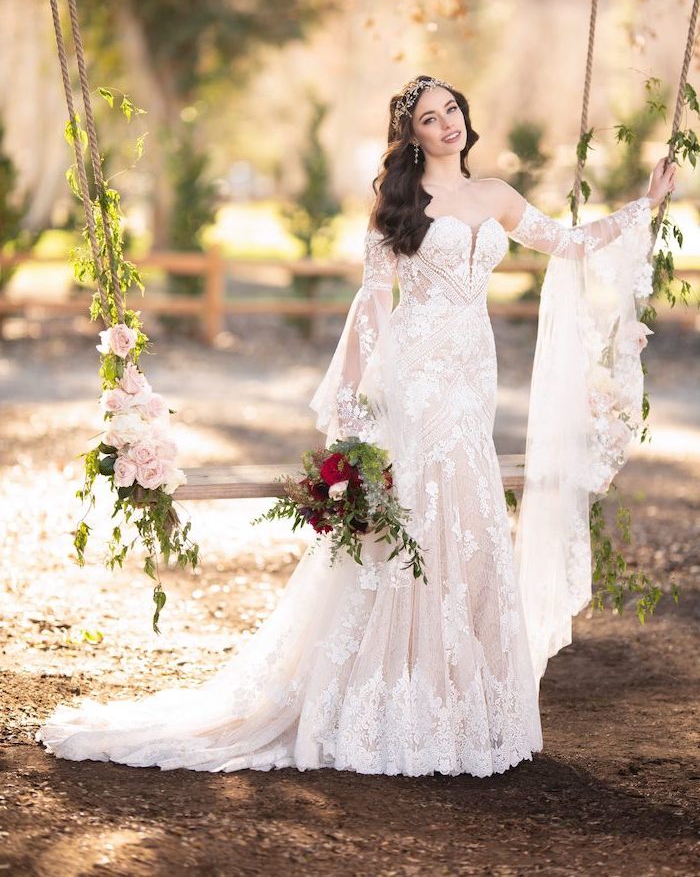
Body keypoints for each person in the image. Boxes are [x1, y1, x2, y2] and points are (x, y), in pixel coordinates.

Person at [36, 74, 676, 777]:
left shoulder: (496, 195)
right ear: (412, 135)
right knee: (420, 505)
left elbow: (571, 243)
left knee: (467, 514)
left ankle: (462, 698)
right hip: (417, 374)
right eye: (431, 119)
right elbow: (371, 308)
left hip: (472, 375)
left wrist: (644, 206)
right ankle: (390, 696)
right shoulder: (399, 206)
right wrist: (348, 415)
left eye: (453, 111)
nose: (447, 125)